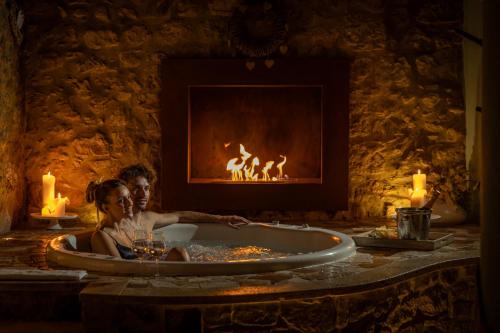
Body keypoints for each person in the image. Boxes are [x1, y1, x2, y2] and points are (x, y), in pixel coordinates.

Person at [117, 163, 251, 228]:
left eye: (146, 188)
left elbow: (181, 215)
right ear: (124, 190)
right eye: (136, 188)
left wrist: (221, 219)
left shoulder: (148, 218)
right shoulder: (115, 225)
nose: (143, 194)